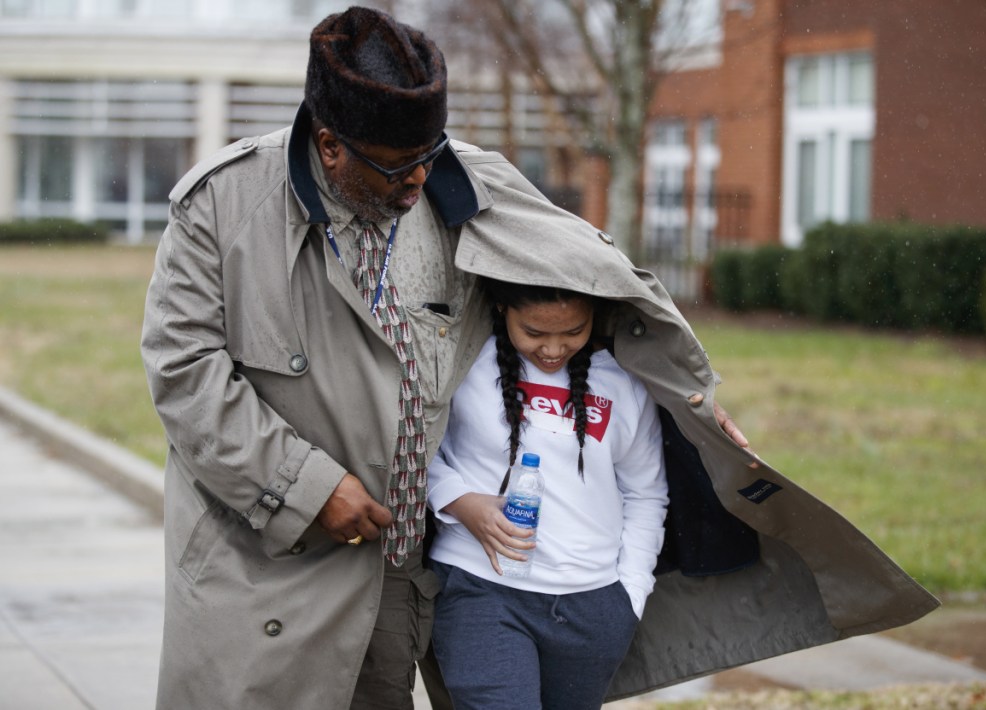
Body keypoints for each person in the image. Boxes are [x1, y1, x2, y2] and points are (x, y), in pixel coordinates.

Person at [141, 5, 935, 710]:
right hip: (289, 558)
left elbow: (601, 281)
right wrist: (306, 488)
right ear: (328, 144)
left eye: (430, 154)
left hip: (446, 559)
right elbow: (183, 372)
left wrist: (688, 396)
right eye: (395, 166)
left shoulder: (464, 182)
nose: (420, 182)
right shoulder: (220, 207)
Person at [426, 279, 669, 709]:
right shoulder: (463, 364)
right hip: (481, 591)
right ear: (503, 309)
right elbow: (413, 450)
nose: (554, 350)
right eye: (534, 333)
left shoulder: (623, 382)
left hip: (592, 607)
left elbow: (646, 494)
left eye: (573, 332)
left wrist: (630, 592)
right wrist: (461, 503)